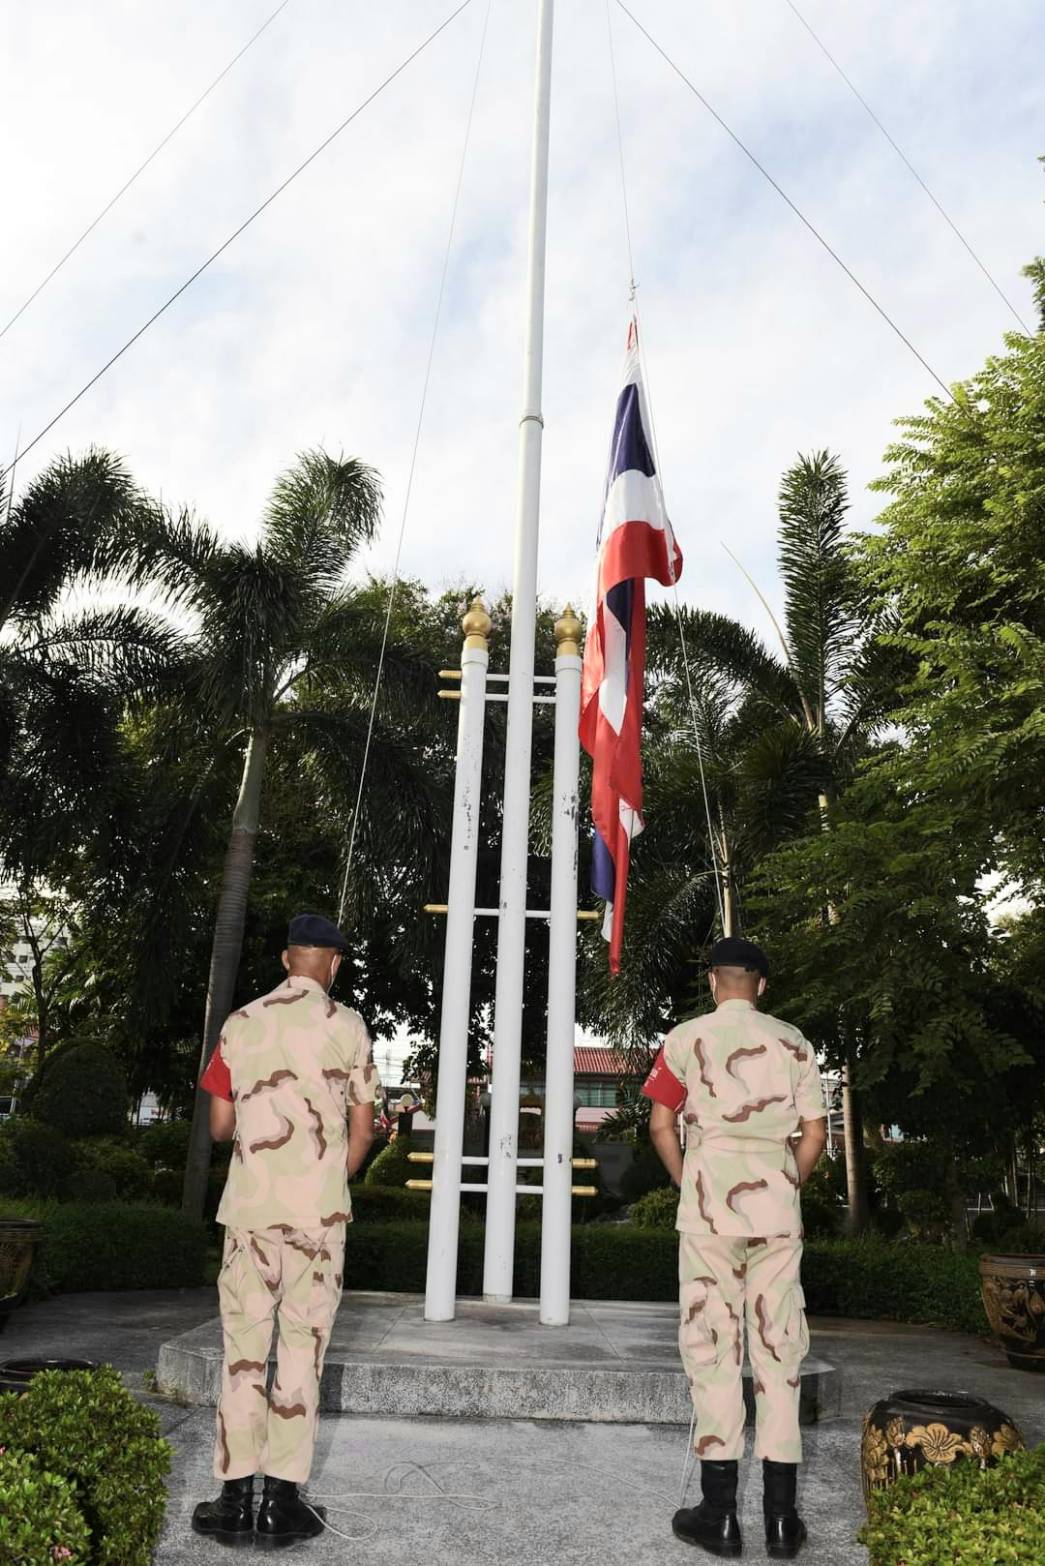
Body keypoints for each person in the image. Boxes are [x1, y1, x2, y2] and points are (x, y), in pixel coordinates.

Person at [191, 912, 380, 1549]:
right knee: (302, 1350)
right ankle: (281, 1504)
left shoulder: (239, 1023)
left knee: (243, 1351)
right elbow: (364, 1128)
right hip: (317, 1217)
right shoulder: (349, 1026)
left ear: (284, 960)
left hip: (248, 1212)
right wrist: (332, 1179)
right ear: (333, 964)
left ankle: (232, 1499)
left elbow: (219, 1126)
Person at [642, 936, 827, 1560]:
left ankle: (719, 1518)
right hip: (776, 1205)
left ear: (715, 983)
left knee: (712, 1348)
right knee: (780, 1349)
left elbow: (661, 1123)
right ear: (762, 986)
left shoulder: (684, 1039)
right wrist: (786, 1182)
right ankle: (782, 1522)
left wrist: (687, 1177)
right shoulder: (795, 1041)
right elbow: (816, 1133)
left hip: (707, 1207)